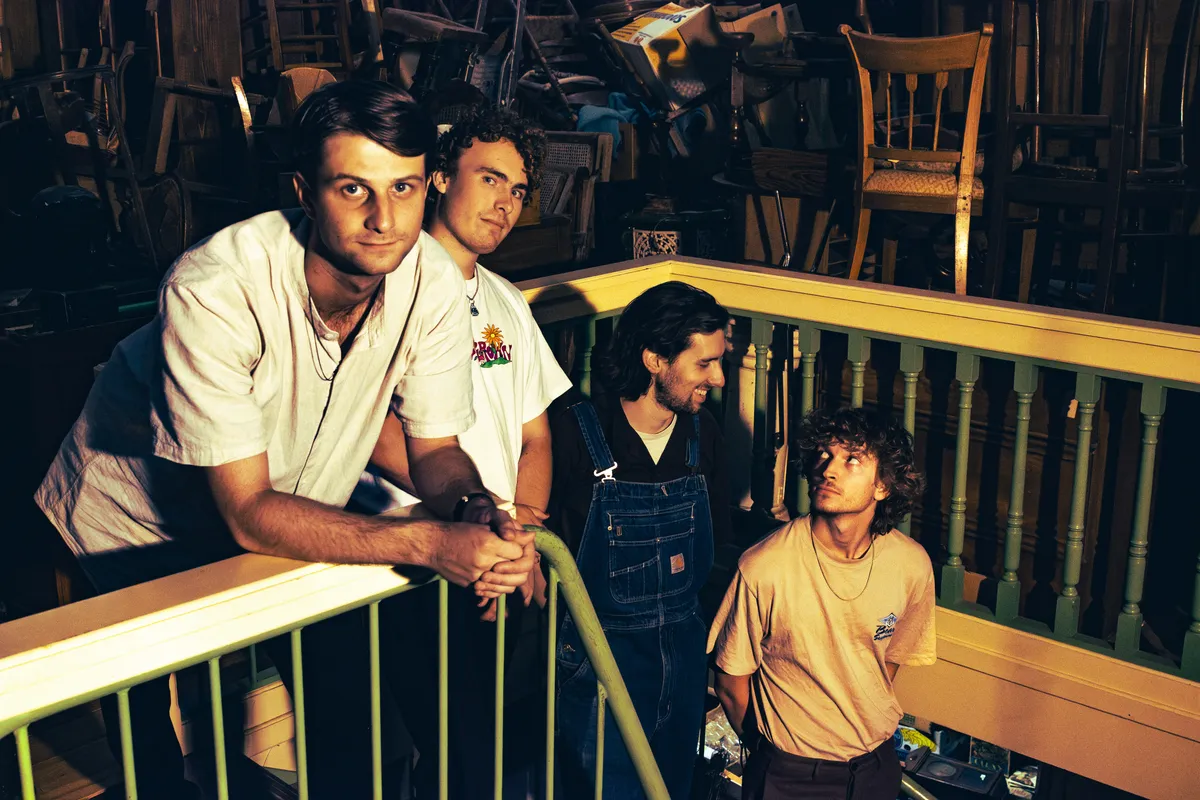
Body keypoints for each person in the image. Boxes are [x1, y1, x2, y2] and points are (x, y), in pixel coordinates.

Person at [33, 80, 534, 799]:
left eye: (403, 188)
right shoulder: (215, 287)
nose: (383, 219)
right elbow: (247, 511)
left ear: (427, 185)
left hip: (286, 510)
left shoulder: (432, 282)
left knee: (345, 725)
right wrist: (428, 541)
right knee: (148, 730)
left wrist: (474, 507)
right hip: (132, 520)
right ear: (304, 192)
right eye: (353, 189)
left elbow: (436, 451)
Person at [350, 104, 571, 797]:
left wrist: (519, 534)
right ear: (441, 177)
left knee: (504, 747)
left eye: (519, 190)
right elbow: (368, 427)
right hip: (419, 556)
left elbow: (536, 435)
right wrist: (479, 517)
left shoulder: (506, 301)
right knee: (455, 752)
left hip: (502, 554)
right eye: (490, 179)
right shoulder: (388, 282)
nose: (505, 204)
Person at [548, 281, 732, 800]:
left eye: (719, 362)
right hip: (600, 659)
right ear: (654, 360)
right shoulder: (576, 432)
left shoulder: (703, 434)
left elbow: (719, 543)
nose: (718, 378)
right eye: (704, 364)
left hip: (684, 653)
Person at [708, 407, 935, 800]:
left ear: (884, 486)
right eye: (824, 455)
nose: (828, 469)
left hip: (874, 768)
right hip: (789, 774)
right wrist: (773, 755)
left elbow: (889, 659)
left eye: (852, 460)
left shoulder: (911, 565)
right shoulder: (765, 567)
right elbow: (730, 682)